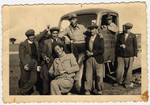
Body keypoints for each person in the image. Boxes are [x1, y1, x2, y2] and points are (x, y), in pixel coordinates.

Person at [17, 27, 49, 95]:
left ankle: (22, 91)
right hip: (27, 64)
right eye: (30, 36)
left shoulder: (35, 41)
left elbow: (41, 35)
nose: (32, 37)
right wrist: (24, 65)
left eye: (32, 35)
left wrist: (46, 30)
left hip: (35, 63)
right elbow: (21, 56)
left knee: (34, 79)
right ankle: (24, 91)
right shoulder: (23, 44)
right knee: (24, 79)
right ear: (27, 37)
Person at [114, 23, 137, 88]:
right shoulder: (120, 35)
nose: (128, 30)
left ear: (130, 29)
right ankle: (118, 81)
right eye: (127, 28)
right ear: (124, 28)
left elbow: (135, 45)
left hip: (130, 55)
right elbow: (116, 45)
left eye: (129, 29)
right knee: (119, 70)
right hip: (120, 55)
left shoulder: (133, 36)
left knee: (129, 70)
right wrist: (120, 46)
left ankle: (126, 82)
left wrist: (134, 55)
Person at [84, 24, 104, 95]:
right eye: (90, 29)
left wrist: (92, 53)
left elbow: (101, 50)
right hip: (89, 59)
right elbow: (85, 47)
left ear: (96, 30)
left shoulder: (100, 38)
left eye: (93, 29)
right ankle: (87, 89)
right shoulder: (87, 38)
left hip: (97, 59)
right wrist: (87, 52)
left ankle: (99, 89)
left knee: (98, 75)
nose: (91, 31)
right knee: (88, 75)